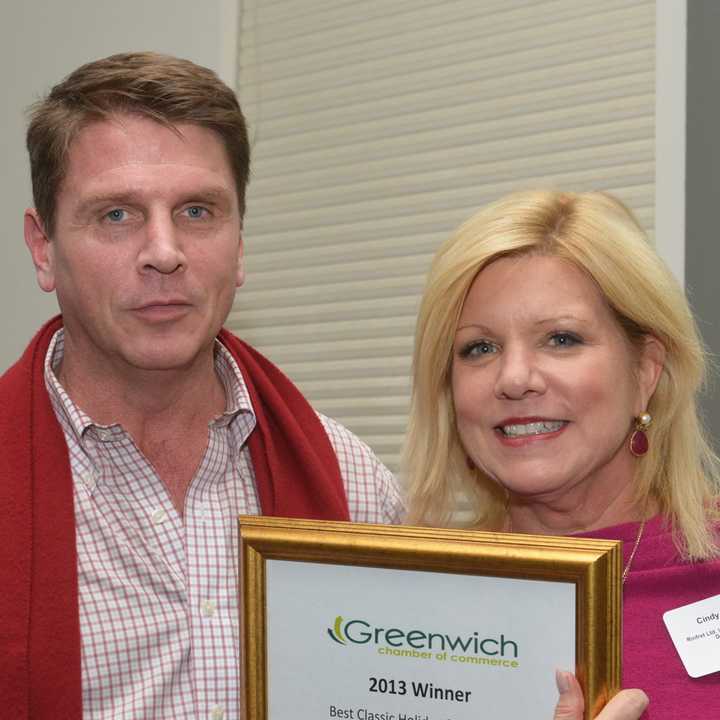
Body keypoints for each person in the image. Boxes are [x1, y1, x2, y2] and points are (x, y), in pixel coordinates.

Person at [0, 52, 403, 720]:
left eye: (196, 210)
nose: (164, 251)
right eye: (116, 215)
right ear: (43, 249)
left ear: (239, 242)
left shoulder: (351, 480)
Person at [403, 190, 720, 720]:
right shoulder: (411, 607)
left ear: (645, 371)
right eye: (479, 348)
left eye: (561, 339)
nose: (514, 379)